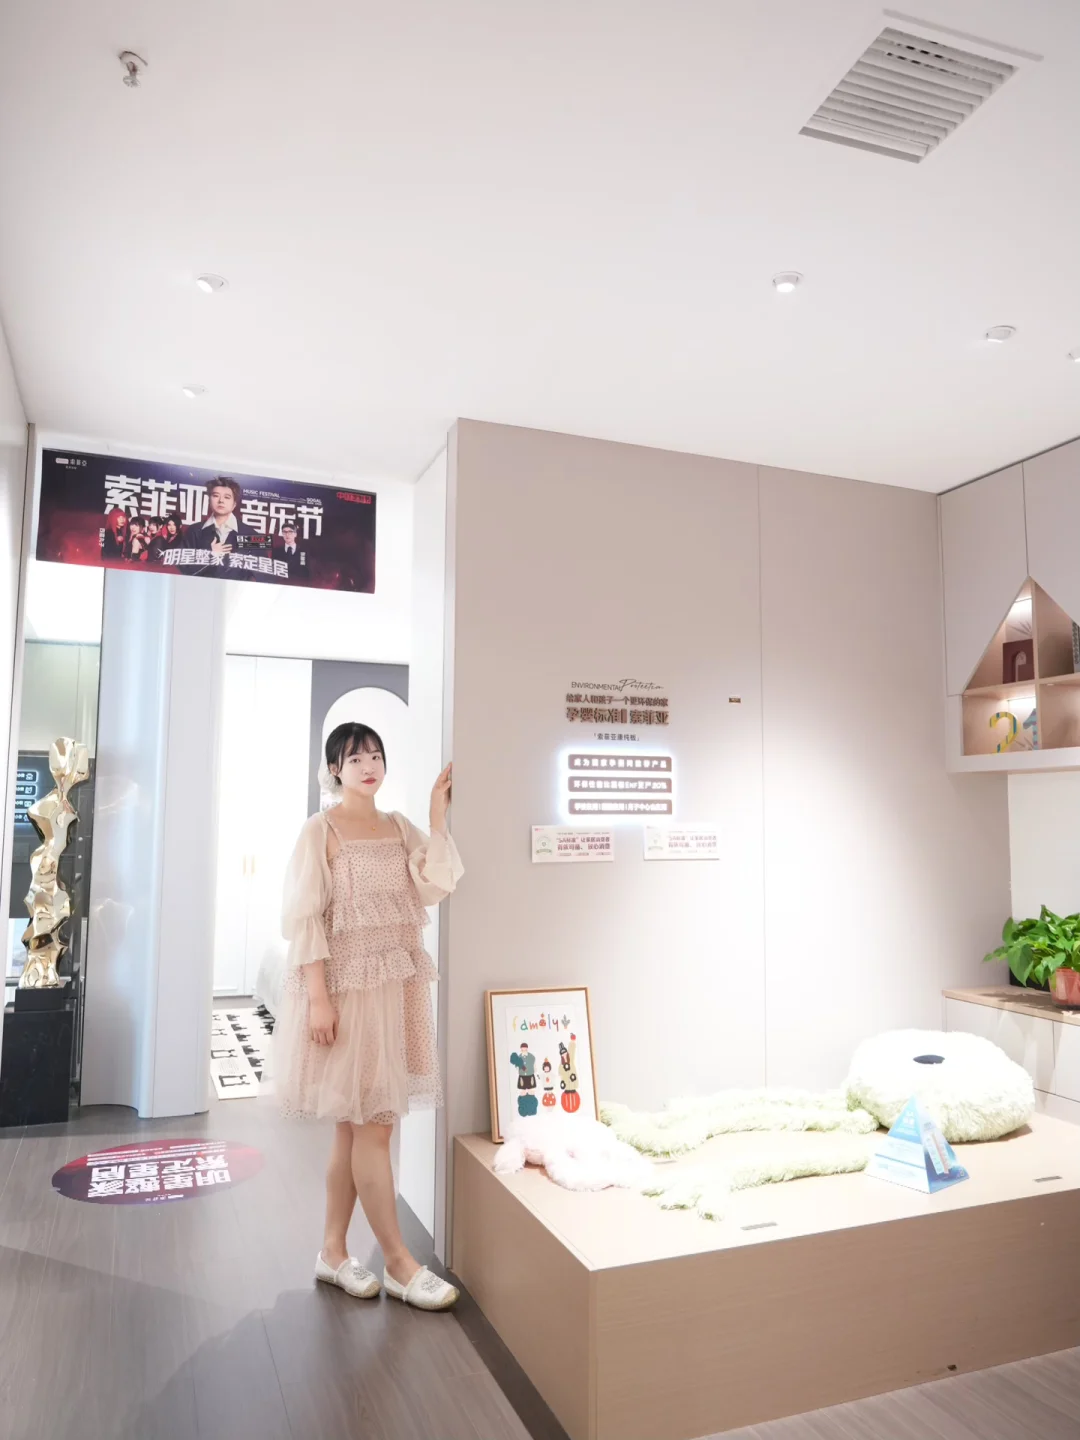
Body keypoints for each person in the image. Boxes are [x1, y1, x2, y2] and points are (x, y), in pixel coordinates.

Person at [275, 722, 462, 1311]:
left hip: (392, 990)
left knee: (353, 1126)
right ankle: (400, 1263)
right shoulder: (321, 830)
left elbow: (436, 884)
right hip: (344, 993)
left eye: (375, 756)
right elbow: (304, 917)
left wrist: (436, 818)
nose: (368, 766)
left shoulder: (398, 827)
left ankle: (333, 1252)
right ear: (335, 768)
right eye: (355, 758)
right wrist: (319, 997)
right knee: (374, 1126)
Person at [182, 476, 256, 572]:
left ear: (234, 504)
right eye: (216, 496)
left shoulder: (251, 534)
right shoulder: (194, 531)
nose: (221, 500)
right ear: (209, 500)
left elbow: (263, 572)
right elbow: (183, 568)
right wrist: (210, 555)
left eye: (227, 497)